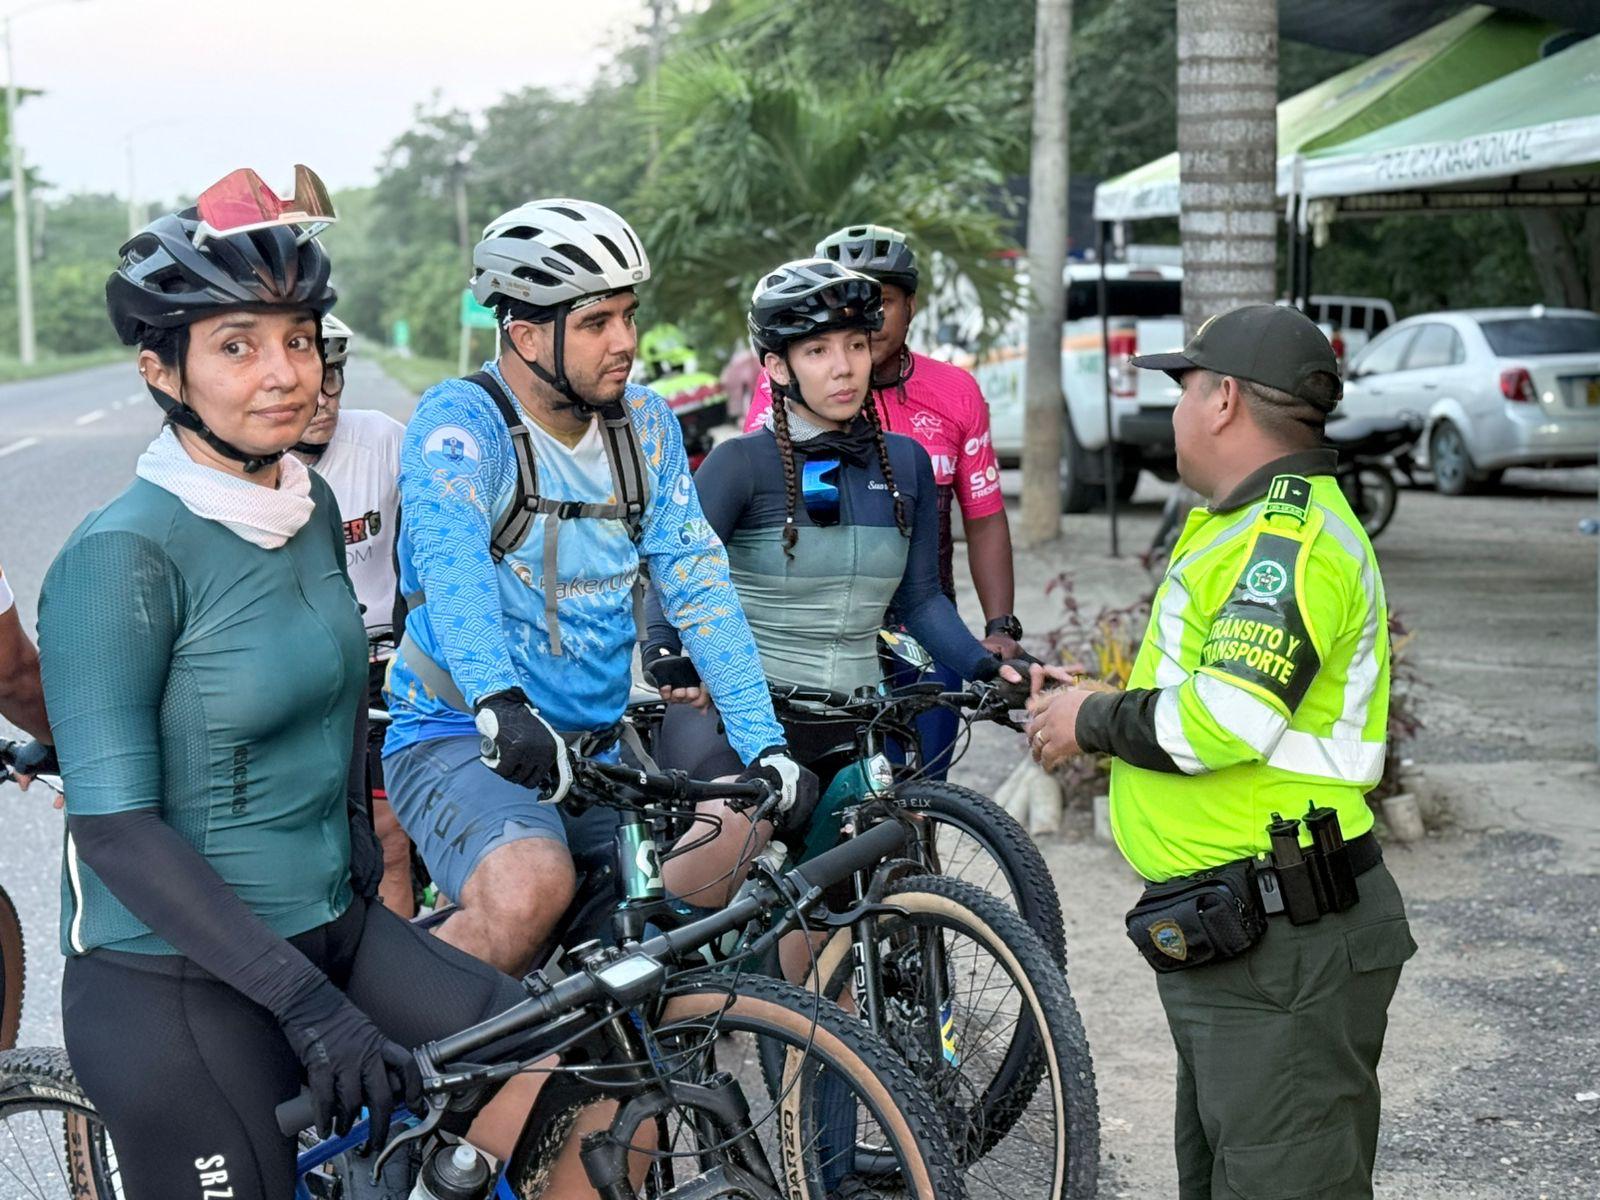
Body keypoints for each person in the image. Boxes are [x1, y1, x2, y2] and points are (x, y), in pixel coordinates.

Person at [37, 172, 552, 1199]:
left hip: (333, 928)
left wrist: (365, 895)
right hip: (177, 981)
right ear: (161, 370)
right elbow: (116, 832)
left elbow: (336, 713)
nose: (286, 374)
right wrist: (309, 1007)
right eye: (238, 345)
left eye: (300, 339)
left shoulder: (307, 505)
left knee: (556, 1069)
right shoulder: (121, 556)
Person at [1023, 304, 1415, 1200]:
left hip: (1286, 945)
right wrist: (1096, 697)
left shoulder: (1288, 542)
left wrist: (1093, 720)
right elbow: (1211, 690)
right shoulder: (1245, 526)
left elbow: (1227, 722)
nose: (1176, 409)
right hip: (1246, 936)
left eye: (1183, 387)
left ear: (1225, 399)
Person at [383, 198, 814, 974]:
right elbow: (453, 573)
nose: (625, 342)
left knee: (661, 944)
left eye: (628, 315)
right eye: (595, 322)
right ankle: (397, 1075)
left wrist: (765, 742)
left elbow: (698, 583)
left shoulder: (643, 425)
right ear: (523, 334)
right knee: (528, 893)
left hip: (595, 747)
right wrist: (498, 702)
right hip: (460, 732)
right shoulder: (462, 423)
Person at [644, 258, 1015, 855]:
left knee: (858, 890)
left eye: (857, 345)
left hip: (858, 720)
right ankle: (654, 944)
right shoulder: (739, 465)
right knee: (738, 833)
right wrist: (665, 653)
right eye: (817, 351)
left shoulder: (909, 465)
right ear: (777, 367)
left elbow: (920, 600)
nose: (843, 368)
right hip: (735, 719)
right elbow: (671, 573)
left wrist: (987, 667)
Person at [745, 224, 1020, 779]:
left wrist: (1001, 627)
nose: (862, 316)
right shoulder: (791, 392)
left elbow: (986, 518)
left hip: (927, 618)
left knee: (924, 794)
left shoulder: (955, 393)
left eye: (881, 300)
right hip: (824, 633)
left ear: (911, 306)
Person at [291, 314, 415, 916]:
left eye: (333, 378)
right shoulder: (236, 472)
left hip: (384, 661)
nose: (321, 401)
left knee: (386, 832)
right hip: (297, 670)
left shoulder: (383, 440)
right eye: (308, 381)